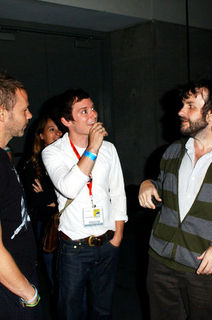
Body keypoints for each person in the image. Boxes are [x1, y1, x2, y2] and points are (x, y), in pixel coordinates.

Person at [138, 80, 212, 320]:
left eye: (190, 106)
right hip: (161, 262)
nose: (180, 111)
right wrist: (149, 185)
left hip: (206, 268)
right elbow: (166, 194)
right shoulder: (172, 152)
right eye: (182, 105)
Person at [42, 88, 127, 320]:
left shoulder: (109, 149)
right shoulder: (53, 152)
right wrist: (92, 149)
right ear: (66, 121)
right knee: (69, 311)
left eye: (92, 108)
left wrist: (117, 237)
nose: (93, 115)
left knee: (102, 310)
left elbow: (118, 193)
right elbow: (69, 187)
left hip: (107, 244)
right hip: (73, 249)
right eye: (84, 111)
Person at [0, 72, 41, 319]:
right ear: (2, 113)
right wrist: (29, 294)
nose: (29, 115)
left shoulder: (4, 155)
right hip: (10, 288)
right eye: (24, 110)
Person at [19, 114, 62, 289]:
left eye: (59, 129)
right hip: (47, 226)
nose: (58, 133)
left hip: (72, 225)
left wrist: (50, 198)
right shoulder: (31, 165)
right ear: (41, 135)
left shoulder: (70, 159)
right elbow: (36, 200)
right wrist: (53, 198)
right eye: (51, 129)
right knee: (56, 280)